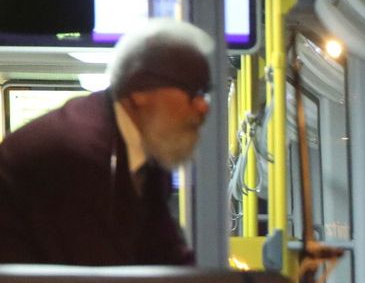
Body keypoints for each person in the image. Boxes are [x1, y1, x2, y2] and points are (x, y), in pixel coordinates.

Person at [0, 19, 215, 266]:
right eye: (193, 92)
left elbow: (165, 255)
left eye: (206, 92)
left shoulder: (140, 151)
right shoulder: (79, 153)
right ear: (140, 89)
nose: (203, 106)